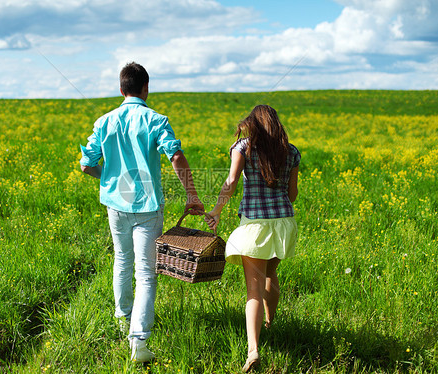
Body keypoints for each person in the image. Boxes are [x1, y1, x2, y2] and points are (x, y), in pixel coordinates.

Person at [80, 62, 204, 363]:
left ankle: (122, 321)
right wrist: (191, 194)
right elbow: (175, 154)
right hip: (148, 206)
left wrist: (110, 179)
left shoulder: (104, 121)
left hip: (115, 205)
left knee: (122, 262)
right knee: (146, 273)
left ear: (121, 89)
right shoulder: (156, 120)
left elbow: (86, 164)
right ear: (146, 88)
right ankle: (138, 340)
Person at [205, 105, 300, 372]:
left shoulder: (243, 148)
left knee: (253, 290)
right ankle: (270, 324)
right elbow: (292, 195)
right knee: (272, 275)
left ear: (253, 124)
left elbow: (232, 181)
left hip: (255, 227)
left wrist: (216, 211)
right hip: (283, 224)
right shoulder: (291, 152)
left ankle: (253, 350)